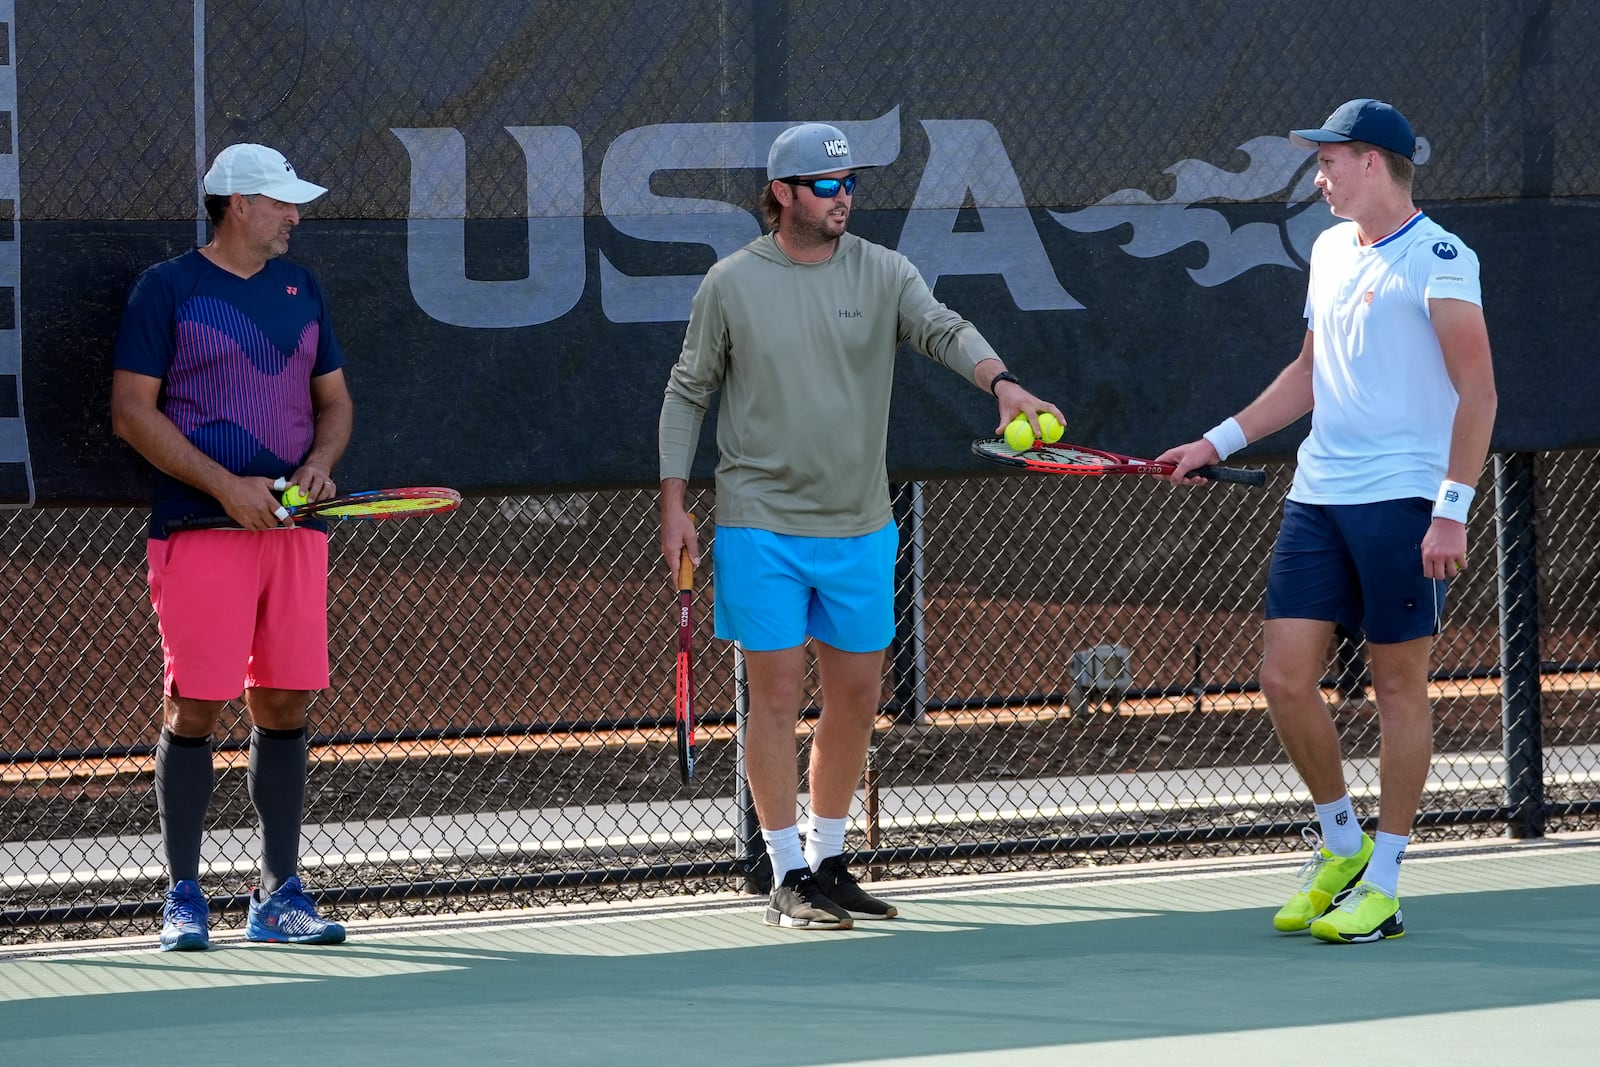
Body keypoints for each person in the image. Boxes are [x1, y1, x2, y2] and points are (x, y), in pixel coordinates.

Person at [658, 122, 1064, 930]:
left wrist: (1003, 383)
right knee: (774, 697)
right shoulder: (731, 282)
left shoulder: (885, 271)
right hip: (760, 523)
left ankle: (830, 857)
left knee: (854, 698)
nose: (844, 197)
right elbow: (687, 389)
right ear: (782, 194)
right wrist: (673, 503)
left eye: (851, 184)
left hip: (860, 526)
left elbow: (943, 328)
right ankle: (783, 871)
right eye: (826, 185)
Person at [1154, 99, 1496, 943]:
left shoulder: (1442, 259)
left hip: (1406, 502)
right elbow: (1309, 372)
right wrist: (1216, 438)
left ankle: (1385, 878)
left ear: (1373, 162)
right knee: (1282, 678)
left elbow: (1479, 393)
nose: (1318, 175)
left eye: (1330, 160)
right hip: (1317, 497)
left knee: (1394, 687)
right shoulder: (1328, 248)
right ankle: (1341, 842)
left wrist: (1451, 509)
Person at [110, 143, 354, 951]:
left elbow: (334, 404)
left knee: (284, 701)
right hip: (201, 530)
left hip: (292, 534)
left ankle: (277, 894)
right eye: (282, 202)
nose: (295, 215)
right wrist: (226, 488)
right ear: (238, 204)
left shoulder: (302, 287)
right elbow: (132, 415)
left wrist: (318, 465)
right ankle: (183, 895)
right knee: (195, 705)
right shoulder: (167, 289)